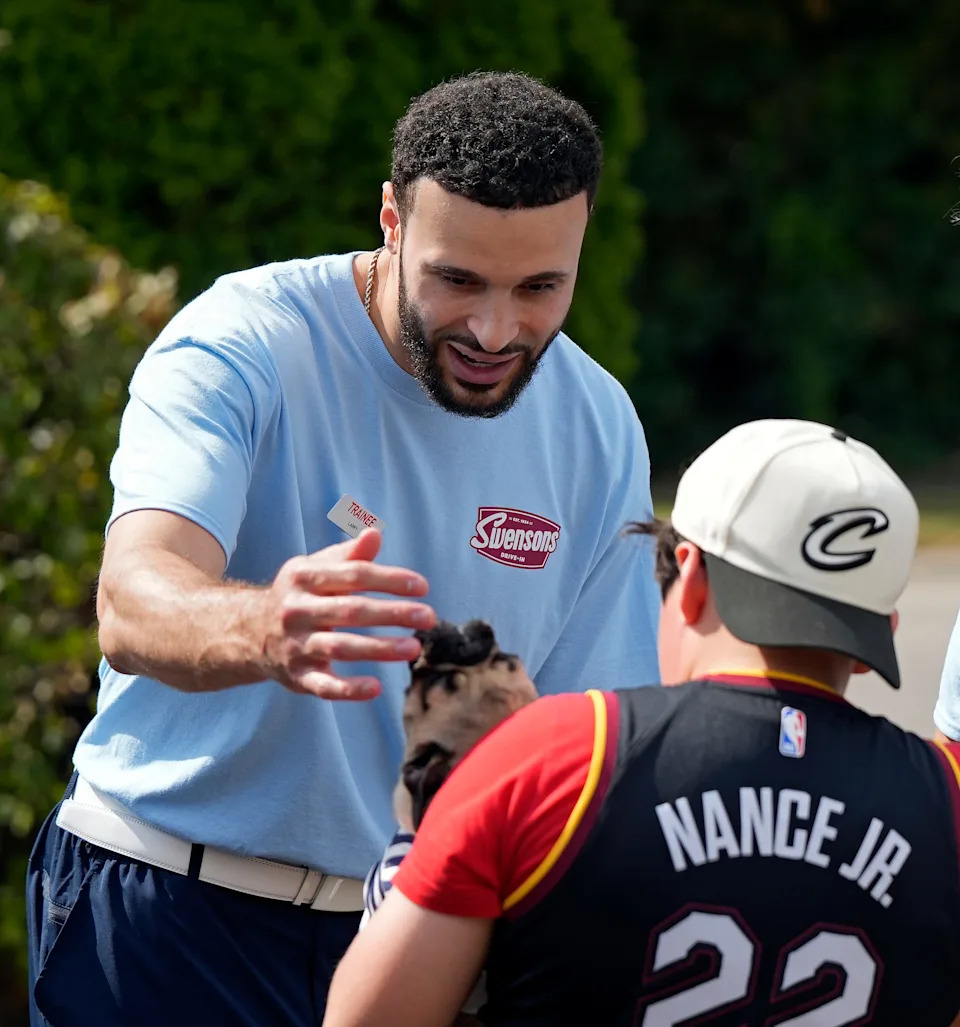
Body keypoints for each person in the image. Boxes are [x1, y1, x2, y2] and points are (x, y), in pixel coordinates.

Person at [25, 71, 661, 1026]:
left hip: (416, 944)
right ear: (391, 222)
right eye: (458, 280)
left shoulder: (600, 423)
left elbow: (597, 741)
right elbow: (133, 597)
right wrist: (267, 626)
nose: (496, 329)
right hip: (166, 908)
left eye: (539, 287)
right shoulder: (242, 339)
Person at [325, 418, 960, 1027]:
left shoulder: (556, 756)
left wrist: (421, 841)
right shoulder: (947, 801)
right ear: (880, 639)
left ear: (689, 579)